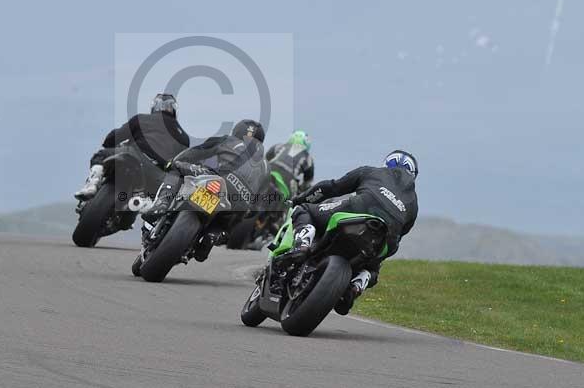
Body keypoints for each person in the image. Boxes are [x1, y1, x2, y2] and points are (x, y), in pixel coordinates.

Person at [287, 150, 419, 314]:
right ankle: (357, 285)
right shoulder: (414, 204)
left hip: (358, 208)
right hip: (386, 236)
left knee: (305, 210)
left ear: (387, 164)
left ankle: (301, 245)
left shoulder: (371, 171)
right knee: (374, 268)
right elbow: (400, 236)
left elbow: (330, 188)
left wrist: (299, 199)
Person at [142, 119, 269, 257]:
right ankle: (213, 236)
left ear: (237, 131)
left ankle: (162, 203)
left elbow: (195, 152)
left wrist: (173, 162)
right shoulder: (266, 166)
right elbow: (258, 205)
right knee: (231, 220)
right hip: (240, 201)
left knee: (176, 170)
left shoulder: (228, 140)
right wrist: (247, 212)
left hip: (217, 179)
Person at [74, 93, 190, 201]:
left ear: (154, 107)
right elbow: (181, 165)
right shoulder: (184, 137)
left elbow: (112, 138)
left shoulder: (141, 119)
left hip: (135, 155)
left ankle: (92, 184)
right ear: (174, 110)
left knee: (101, 155)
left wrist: (111, 142)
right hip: (159, 176)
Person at [265, 130, 315, 197]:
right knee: (291, 199)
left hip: (270, 169)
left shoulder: (279, 146)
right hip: (288, 178)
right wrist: (300, 189)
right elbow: (307, 184)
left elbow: (265, 159)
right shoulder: (308, 158)